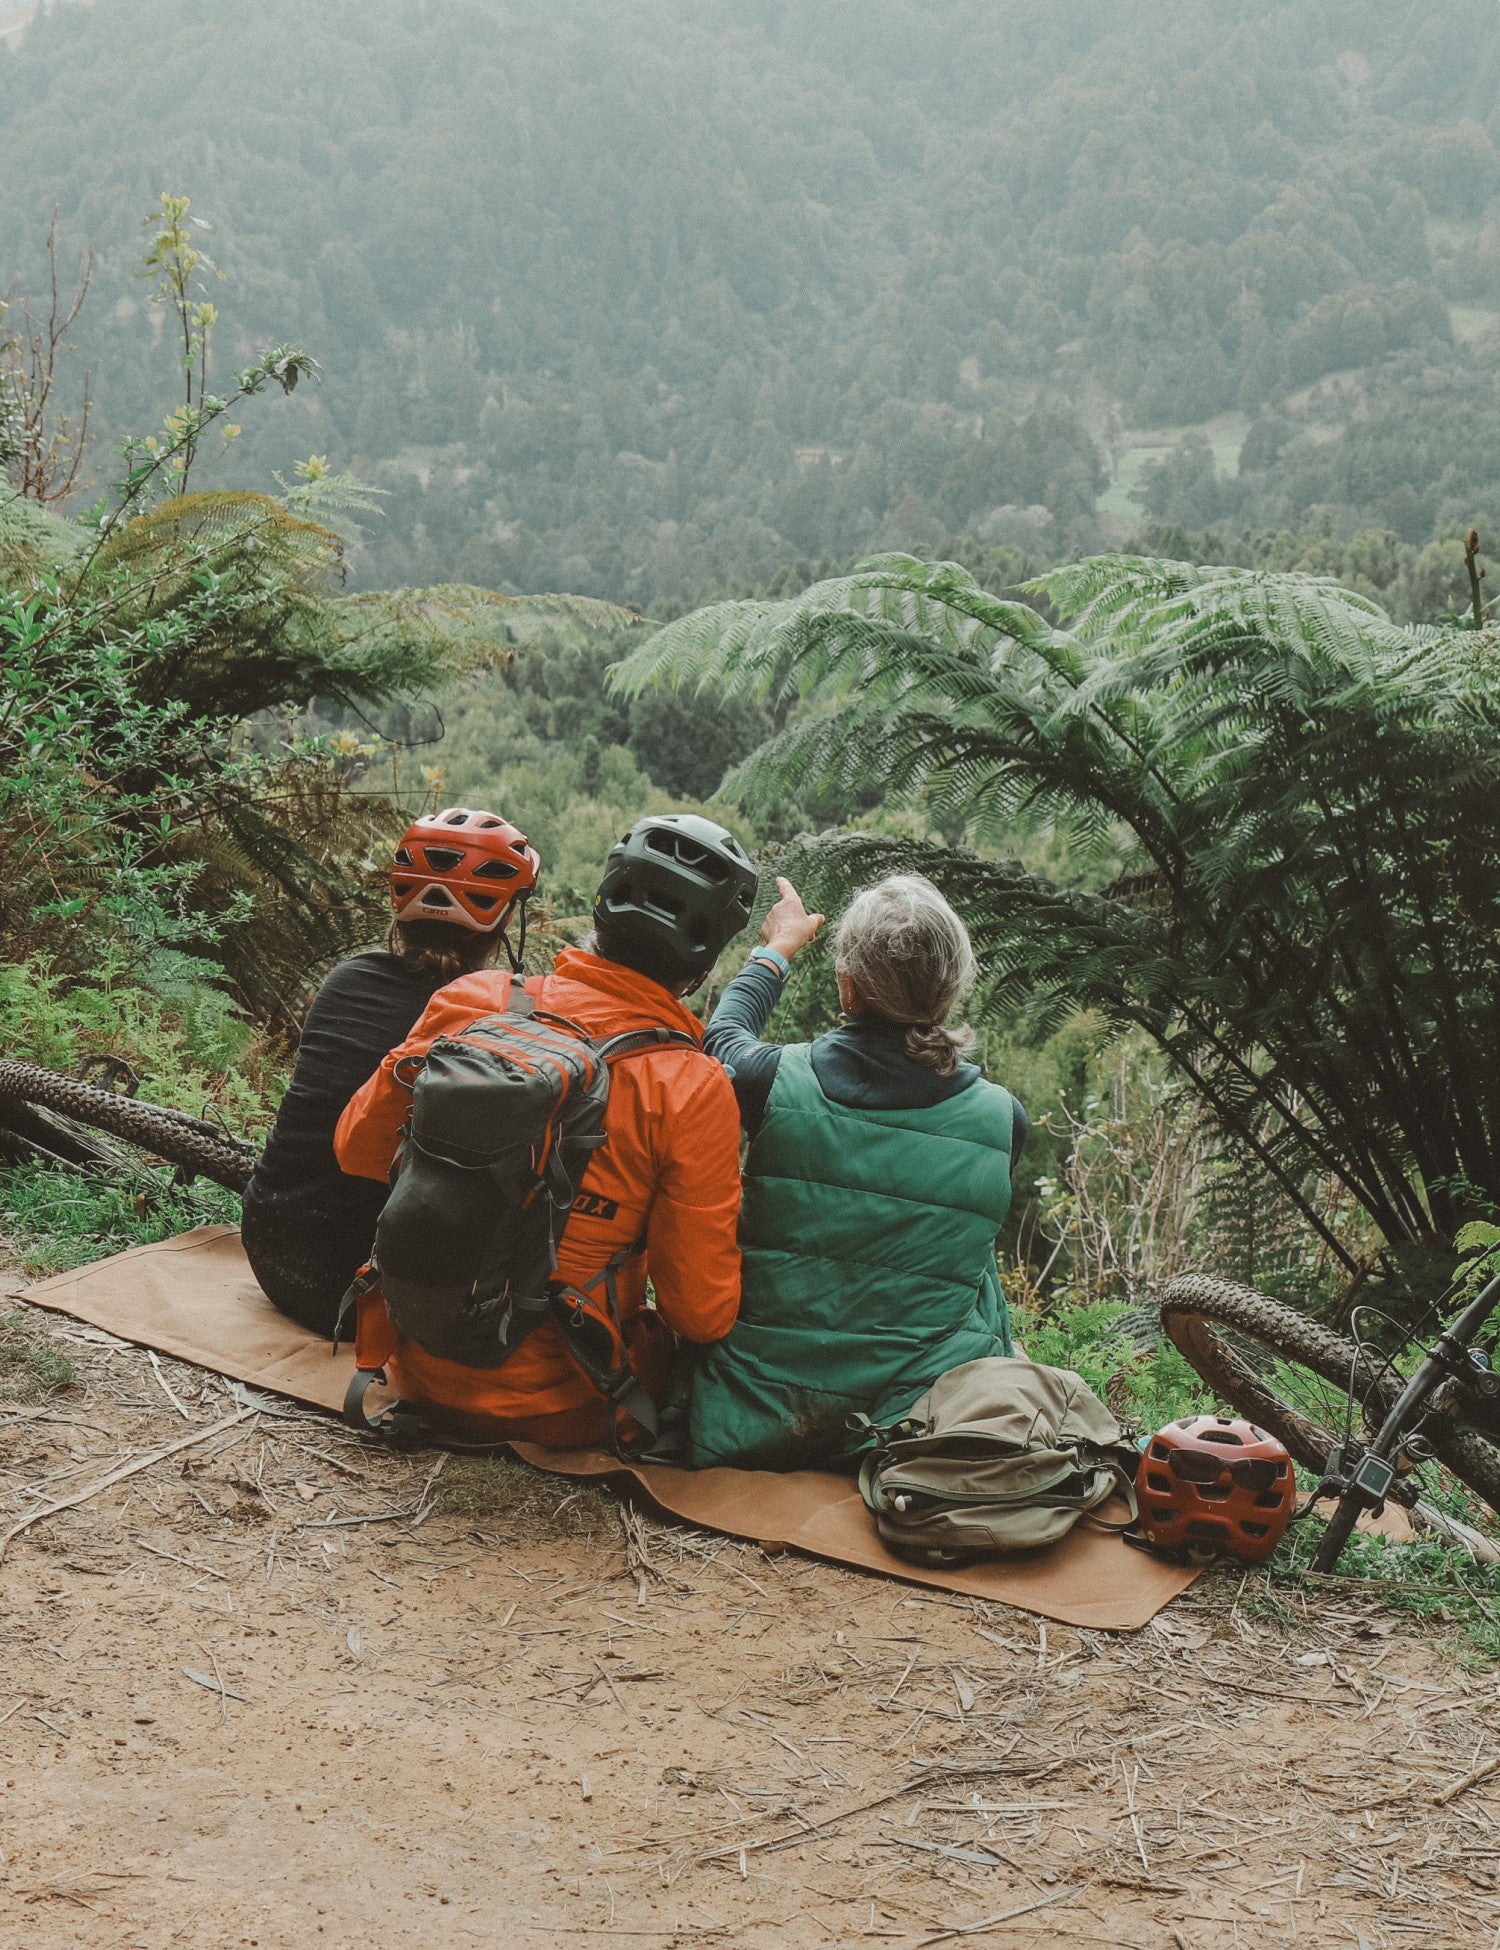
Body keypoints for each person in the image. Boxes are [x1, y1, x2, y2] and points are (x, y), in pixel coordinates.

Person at [332, 814, 755, 1448]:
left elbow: (357, 1150)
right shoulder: (691, 1085)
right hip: (567, 1404)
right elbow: (699, 1311)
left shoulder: (476, 999)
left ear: (601, 907)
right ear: (704, 956)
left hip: (415, 1367)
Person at [677, 872, 1027, 1471]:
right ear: (949, 990)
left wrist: (777, 949)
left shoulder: (771, 1081)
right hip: (919, 1423)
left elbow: (720, 1041)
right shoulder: (1004, 1120)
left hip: (758, 1412)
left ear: (848, 987)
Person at [241, 807, 540, 1338]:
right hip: (379, 1290)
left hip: (272, 1249)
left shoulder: (347, 978)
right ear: (505, 917)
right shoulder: (499, 1019)